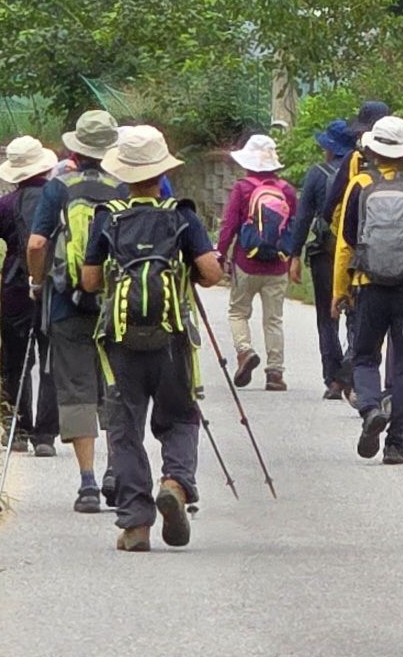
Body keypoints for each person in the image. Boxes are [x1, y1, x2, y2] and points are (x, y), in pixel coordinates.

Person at [77, 124, 226, 553]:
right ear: (161, 171)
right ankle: (175, 483)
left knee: (125, 430)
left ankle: (136, 525)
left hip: (121, 341)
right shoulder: (182, 215)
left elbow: (89, 281)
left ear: (123, 173)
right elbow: (212, 273)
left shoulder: (108, 217)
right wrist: (185, 270)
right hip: (171, 339)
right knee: (180, 417)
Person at [24, 108, 125, 513]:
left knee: (77, 390)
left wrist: (37, 281)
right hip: (117, 305)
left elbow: (36, 244)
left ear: (76, 150)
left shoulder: (59, 187)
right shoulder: (124, 186)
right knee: (115, 386)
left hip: (67, 303)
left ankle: (87, 483)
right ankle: (116, 469)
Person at [333, 114, 403, 464]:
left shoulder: (359, 184)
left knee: (365, 356)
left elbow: (346, 244)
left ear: (373, 151)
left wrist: (340, 290)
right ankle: (396, 445)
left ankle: (369, 409)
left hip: (368, 286)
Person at [0, 134, 59, 457]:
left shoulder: (4, 206)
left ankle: (17, 430)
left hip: (16, 290)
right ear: (44, 168)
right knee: (51, 361)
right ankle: (46, 436)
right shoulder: (60, 201)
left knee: (15, 361)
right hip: (54, 288)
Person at [214, 132, 300, 390]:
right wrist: (294, 258)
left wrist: (220, 254)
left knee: (238, 312)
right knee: (274, 319)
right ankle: (275, 373)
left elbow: (229, 225)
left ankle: (245, 351)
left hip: (246, 263)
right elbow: (293, 229)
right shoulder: (287, 191)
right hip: (277, 265)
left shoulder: (242, 188)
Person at [292, 116, 362, 401]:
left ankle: (333, 379)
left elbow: (303, 217)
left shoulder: (317, 174)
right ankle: (351, 371)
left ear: (330, 149)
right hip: (357, 254)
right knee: (356, 315)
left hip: (326, 253)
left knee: (326, 317)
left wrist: (294, 254)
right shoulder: (361, 171)